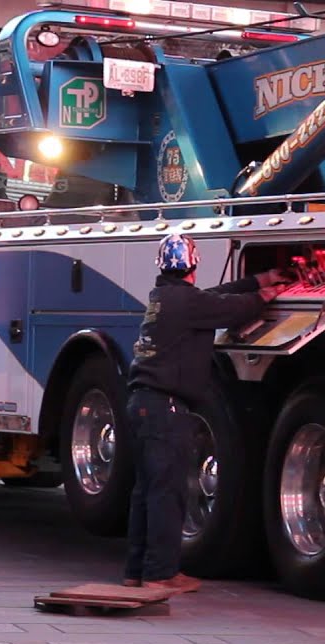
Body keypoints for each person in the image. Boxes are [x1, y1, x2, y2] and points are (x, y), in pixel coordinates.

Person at [123, 234, 294, 593]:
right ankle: (160, 574)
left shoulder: (165, 298)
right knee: (168, 492)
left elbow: (214, 297)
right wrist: (264, 295)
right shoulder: (188, 302)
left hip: (142, 405)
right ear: (193, 265)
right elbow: (232, 309)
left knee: (147, 491)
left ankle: (137, 570)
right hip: (166, 408)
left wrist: (255, 280)